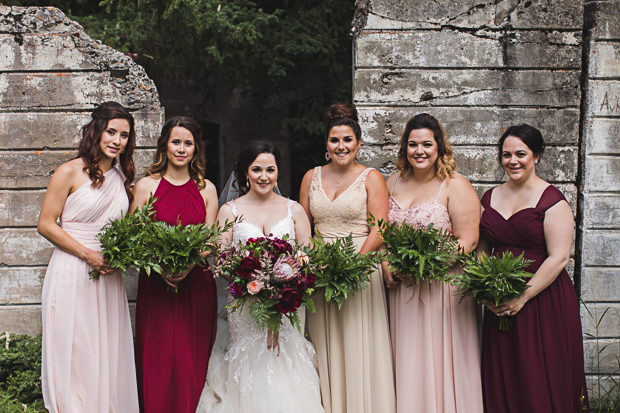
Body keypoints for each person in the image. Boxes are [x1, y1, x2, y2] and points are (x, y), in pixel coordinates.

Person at [197, 140, 325, 413]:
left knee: (286, 360)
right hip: (246, 305)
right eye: (257, 169)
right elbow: (220, 258)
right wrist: (249, 278)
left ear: (278, 172)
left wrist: (287, 278)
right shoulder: (229, 211)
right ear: (245, 172)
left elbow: (308, 256)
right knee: (250, 363)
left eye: (270, 170)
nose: (264, 177)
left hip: (288, 302)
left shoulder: (294, 210)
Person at [478, 124, 589, 412]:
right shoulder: (489, 198)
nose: (512, 161)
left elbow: (559, 257)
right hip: (500, 298)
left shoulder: (552, 200)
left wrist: (522, 296)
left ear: (536, 156)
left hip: (542, 299)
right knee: (505, 371)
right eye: (506, 155)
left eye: (520, 154)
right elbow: (482, 249)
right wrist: (486, 287)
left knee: (541, 370)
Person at [38, 101, 139, 412]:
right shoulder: (68, 171)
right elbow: (45, 224)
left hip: (109, 275)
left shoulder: (123, 180)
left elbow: (126, 229)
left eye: (124, 135)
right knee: (76, 347)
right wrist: (89, 255)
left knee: (105, 349)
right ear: (97, 131)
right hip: (72, 269)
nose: (117, 141)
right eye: (111, 132)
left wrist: (121, 255)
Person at [383, 113, 483, 413]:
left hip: (443, 289)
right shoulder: (391, 182)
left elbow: (469, 240)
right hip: (402, 291)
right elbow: (381, 233)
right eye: (413, 145)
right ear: (405, 148)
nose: (420, 151)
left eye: (427, 144)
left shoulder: (454, 185)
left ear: (439, 147)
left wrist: (427, 265)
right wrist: (388, 264)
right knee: (409, 359)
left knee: (442, 361)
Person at [299, 103, 396, 413]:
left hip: (361, 267)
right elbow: (303, 226)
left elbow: (379, 228)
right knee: (325, 341)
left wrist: (354, 265)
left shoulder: (371, 177)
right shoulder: (310, 177)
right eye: (334, 140)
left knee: (358, 342)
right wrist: (314, 261)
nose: (341, 146)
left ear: (358, 143)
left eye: (347, 140)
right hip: (320, 267)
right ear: (326, 145)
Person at [131, 116, 219, 413]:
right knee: (157, 359)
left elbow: (211, 239)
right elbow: (134, 236)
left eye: (188, 143)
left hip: (196, 284)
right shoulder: (146, 186)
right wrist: (160, 264)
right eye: (176, 142)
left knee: (189, 363)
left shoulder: (207, 189)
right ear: (164, 145)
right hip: (158, 284)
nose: (181, 149)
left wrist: (190, 264)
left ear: (196, 149)